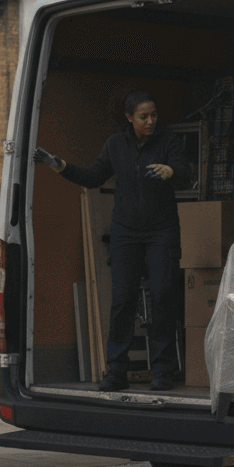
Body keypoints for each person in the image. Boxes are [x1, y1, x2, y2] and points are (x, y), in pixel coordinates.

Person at [33, 91, 192, 392]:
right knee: (122, 301)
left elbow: (185, 173)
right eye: (143, 116)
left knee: (162, 296)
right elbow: (94, 176)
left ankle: (162, 371)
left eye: (154, 115)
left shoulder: (167, 142)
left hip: (162, 231)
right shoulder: (115, 145)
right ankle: (116, 372)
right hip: (126, 232)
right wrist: (60, 165)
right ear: (129, 117)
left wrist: (170, 171)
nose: (150, 121)